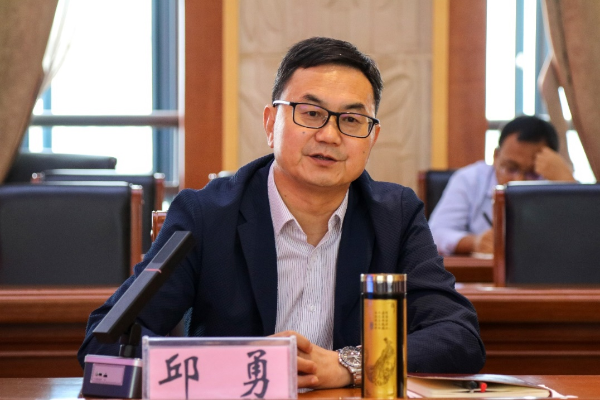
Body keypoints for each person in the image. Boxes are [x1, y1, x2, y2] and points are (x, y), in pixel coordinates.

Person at [78, 37, 485, 389]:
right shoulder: (206, 215)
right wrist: (243, 367)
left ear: (372, 137)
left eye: (351, 119)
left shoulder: (395, 216)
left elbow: (458, 336)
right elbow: (105, 342)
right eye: (311, 113)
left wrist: (350, 365)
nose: (329, 135)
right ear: (271, 122)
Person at [429, 115, 576, 256]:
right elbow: (435, 233)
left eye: (532, 173)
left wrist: (567, 183)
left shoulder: (556, 182)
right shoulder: (469, 180)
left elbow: (581, 239)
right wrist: (475, 243)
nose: (518, 180)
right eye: (511, 168)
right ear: (496, 156)